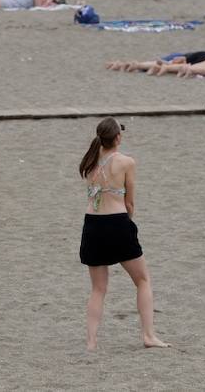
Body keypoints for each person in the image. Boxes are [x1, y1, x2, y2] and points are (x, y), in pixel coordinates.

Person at [78, 117, 168, 352]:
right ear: (118, 137)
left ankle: (91, 342)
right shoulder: (126, 162)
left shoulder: (89, 161)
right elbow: (130, 203)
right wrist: (128, 222)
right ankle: (149, 335)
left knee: (98, 288)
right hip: (116, 222)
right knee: (143, 280)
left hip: (92, 225)